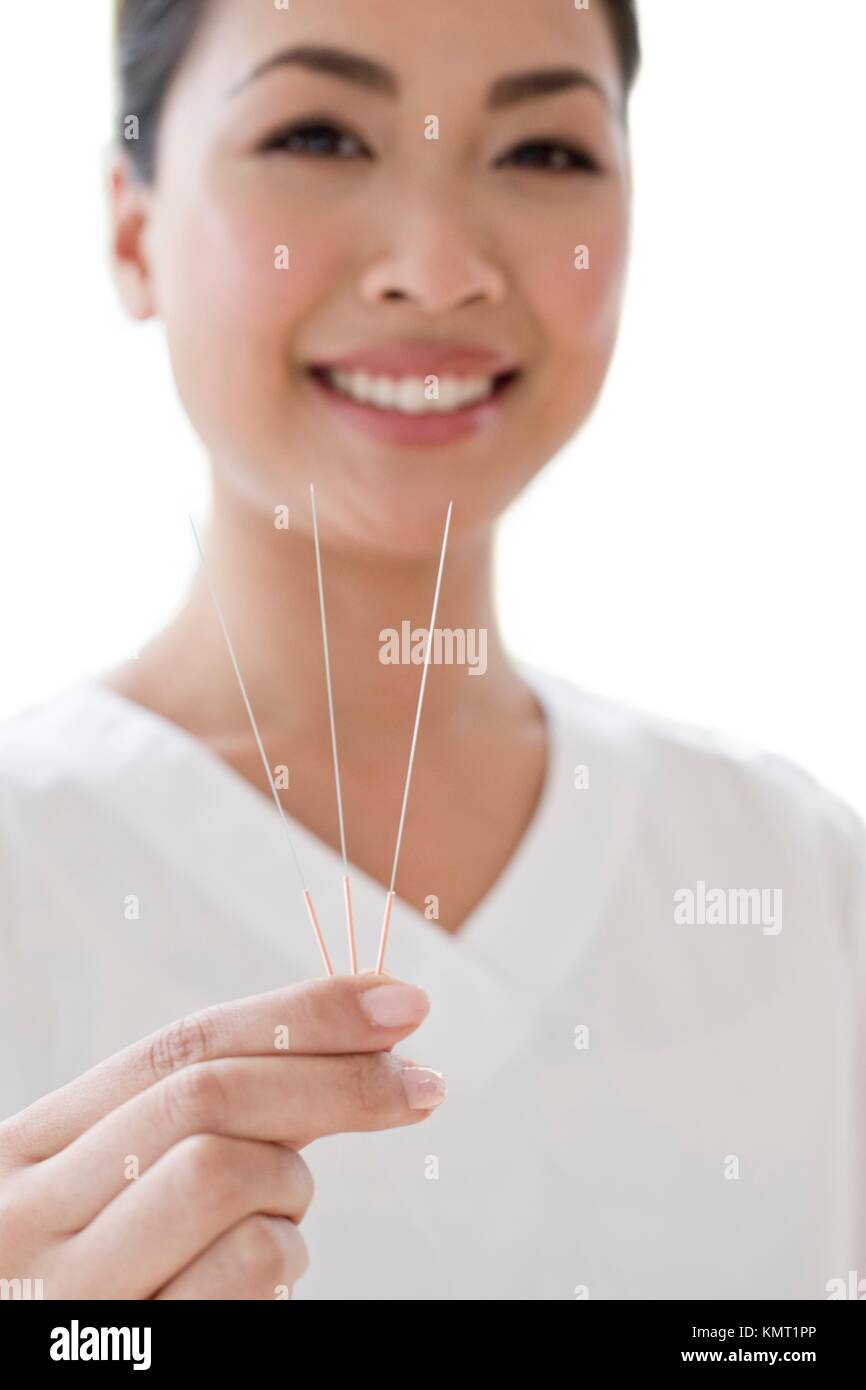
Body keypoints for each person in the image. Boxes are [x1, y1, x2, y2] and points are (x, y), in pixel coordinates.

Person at [0, 0, 863, 1300]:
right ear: (132, 230)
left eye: (543, 153)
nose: (439, 264)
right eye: (317, 134)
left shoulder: (790, 872)